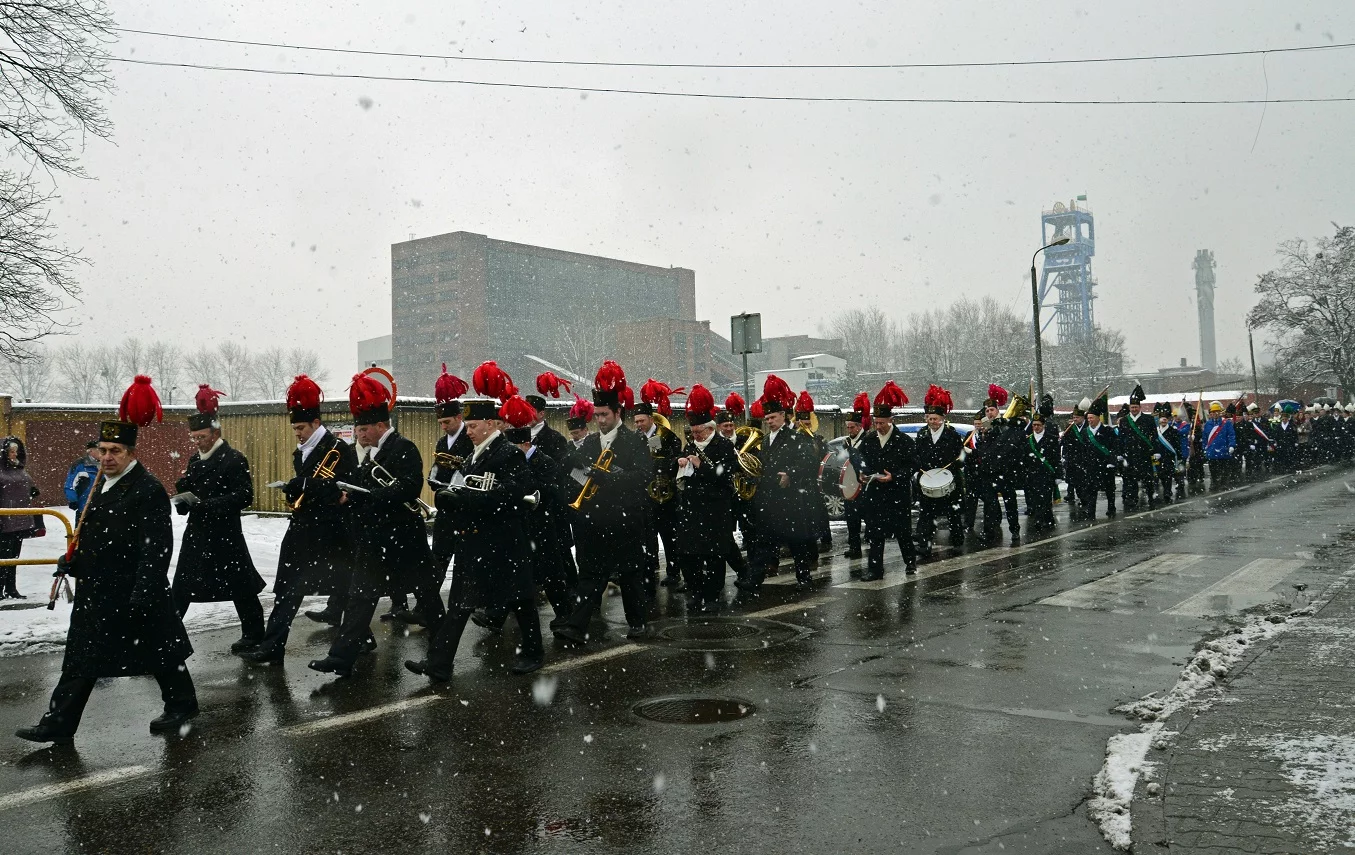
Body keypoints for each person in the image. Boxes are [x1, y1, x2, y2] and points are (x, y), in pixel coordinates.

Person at [16, 376, 198, 744]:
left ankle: (182, 703)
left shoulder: (146, 490)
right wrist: (75, 562)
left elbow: (157, 548)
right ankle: (59, 722)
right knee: (82, 655)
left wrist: (144, 591)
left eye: (116, 450)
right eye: (103, 449)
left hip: (132, 588)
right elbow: (97, 534)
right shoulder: (101, 481)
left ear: (132, 453)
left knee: (158, 650)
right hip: (99, 588)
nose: (108, 457)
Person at [309, 369, 446, 678]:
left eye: (365, 428)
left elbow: (410, 487)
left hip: (404, 539)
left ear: (381, 425)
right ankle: (341, 658)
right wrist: (345, 497)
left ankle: (441, 659)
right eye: (358, 429)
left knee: (428, 600)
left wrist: (372, 496)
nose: (360, 434)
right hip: (374, 541)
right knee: (359, 599)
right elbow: (360, 487)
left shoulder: (404, 448)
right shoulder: (370, 455)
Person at [407, 391, 542, 680]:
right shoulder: (472, 456)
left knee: (521, 600)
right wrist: (451, 497)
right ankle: (439, 663)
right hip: (474, 542)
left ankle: (533, 653)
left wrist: (469, 500)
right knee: (459, 606)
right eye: (467, 426)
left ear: (491, 425)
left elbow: (516, 493)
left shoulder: (509, 453)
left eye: (472, 426)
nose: (467, 432)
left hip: (504, 542)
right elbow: (466, 490)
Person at [240, 376, 358, 664]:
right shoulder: (301, 452)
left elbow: (348, 488)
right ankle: (273, 645)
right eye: (294, 428)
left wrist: (306, 485)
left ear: (316, 424)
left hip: (331, 533)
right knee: (287, 590)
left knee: (347, 588)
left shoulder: (339, 450)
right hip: (303, 531)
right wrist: (295, 492)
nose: (297, 434)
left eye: (301, 428)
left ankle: (361, 637)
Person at [553, 360, 654, 643]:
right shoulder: (588, 443)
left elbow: (644, 475)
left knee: (630, 573)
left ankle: (637, 622)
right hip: (595, 519)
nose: (599, 420)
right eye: (596, 415)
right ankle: (576, 625)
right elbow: (575, 474)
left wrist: (610, 478)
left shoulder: (635, 442)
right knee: (590, 575)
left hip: (624, 518)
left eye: (604, 415)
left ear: (618, 412)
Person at [172, 384, 266, 653]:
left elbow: (245, 496)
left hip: (225, 533)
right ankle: (165, 637)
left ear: (216, 433)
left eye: (202, 437)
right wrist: (184, 498)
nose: (197, 442)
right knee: (181, 586)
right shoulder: (194, 459)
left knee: (241, 586)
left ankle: (254, 633)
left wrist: (209, 505)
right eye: (194, 438)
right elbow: (193, 489)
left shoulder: (234, 459)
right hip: (198, 532)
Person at [746, 375, 820, 595]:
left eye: (773, 417)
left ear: (784, 416)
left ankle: (804, 578)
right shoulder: (765, 440)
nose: (769, 421)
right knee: (763, 543)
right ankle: (755, 579)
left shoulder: (795, 438)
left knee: (797, 543)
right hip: (769, 499)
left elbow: (809, 462)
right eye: (767, 418)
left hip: (788, 499)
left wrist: (791, 474)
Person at [672, 385, 738, 612]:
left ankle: (712, 595)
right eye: (693, 432)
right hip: (691, 509)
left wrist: (702, 467)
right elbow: (680, 463)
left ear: (710, 430)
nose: (695, 436)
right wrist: (679, 462)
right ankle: (695, 591)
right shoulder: (690, 445)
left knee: (715, 557)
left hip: (715, 509)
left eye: (699, 432)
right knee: (688, 556)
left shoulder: (724, 446)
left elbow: (726, 475)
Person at [424, 366, 473, 627]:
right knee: (438, 560)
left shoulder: (471, 435)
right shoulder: (443, 443)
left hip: (464, 510)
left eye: (447, 422)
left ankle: (459, 610)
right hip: (445, 509)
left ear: (458, 417)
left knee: (463, 567)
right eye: (441, 423)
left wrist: (459, 469)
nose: (444, 427)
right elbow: (437, 470)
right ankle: (429, 608)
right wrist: (436, 480)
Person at [857, 381, 917, 580]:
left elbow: (912, 466)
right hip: (875, 493)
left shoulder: (904, 441)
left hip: (896, 493)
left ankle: (910, 562)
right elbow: (860, 460)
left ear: (891, 421)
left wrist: (895, 476)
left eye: (882, 423)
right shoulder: (869, 440)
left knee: (903, 532)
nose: (879, 426)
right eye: (876, 423)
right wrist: (862, 474)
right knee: (875, 533)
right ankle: (875, 570)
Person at [635, 380, 682, 591]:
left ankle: (673, 572)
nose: (638, 425)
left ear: (651, 419)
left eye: (641, 421)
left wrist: (660, 463)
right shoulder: (635, 438)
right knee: (647, 536)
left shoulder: (667, 436)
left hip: (665, 495)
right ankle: (650, 570)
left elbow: (673, 459)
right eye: (636, 421)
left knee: (669, 536)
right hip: (645, 495)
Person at [913, 385, 965, 554]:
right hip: (928, 480)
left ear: (942, 418)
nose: (932, 422)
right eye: (930, 419)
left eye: (935, 419)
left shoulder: (952, 434)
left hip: (949, 480)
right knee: (926, 514)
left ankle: (957, 540)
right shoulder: (921, 434)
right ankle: (924, 544)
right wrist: (919, 468)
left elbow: (962, 455)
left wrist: (958, 463)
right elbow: (916, 455)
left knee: (953, 513)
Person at [0, 437, 40, 598]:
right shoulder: (2, 471)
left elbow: (26, 485)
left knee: (14, 557)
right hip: (4, 520)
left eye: (16, 451)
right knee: (3, 557)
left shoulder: (19, 468)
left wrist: (32, 490)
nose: (14, 454)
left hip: (20, 519)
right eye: (11, 451)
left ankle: (11, 588)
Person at [795, 391, 833, 554]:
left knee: (819, 512)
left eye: (808, 423)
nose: (806, 426)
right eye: (803, 423)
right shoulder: (793, 439)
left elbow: (825, 460)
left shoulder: (818, 440)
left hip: (814, 481)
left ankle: (825, 540)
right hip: (799, 481)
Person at [840, 393, 871, 561]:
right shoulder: (847, 442)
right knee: (851, 519)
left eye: (852, 427)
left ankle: (873, 548)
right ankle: (854, 547)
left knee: (869, 519)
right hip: (851, 485)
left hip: (865, 486)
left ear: (860, 426)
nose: (850, 430)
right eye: (848, 427)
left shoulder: (868, 440)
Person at [1118, 385, 1158, 510]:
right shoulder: (1124, 420)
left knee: (1148, 478)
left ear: (1140, 407)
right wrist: (1120, 452)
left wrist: (1155, 451)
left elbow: (1154, 436)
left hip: (1144, 453)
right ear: (1129, 408)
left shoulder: (1148, 419)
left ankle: (1151, 497)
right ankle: (1133, 499)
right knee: (1131, 479)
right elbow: (1121, 438)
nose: (1134, 409)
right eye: (1132, 407)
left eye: (1136, 407)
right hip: (1130, 453)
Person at [1082, 394, 1121, 519]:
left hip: (1105, 465)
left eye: (1091, 418)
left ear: (1098, 418)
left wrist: (1112, 461)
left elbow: (1114, 447)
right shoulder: (1085, 433)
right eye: (1088, 418)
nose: (1089, 420)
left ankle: (1111, 507)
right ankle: (1091, 510)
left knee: (1109, 488)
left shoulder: (1108, 431)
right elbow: (1082, 449)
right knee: (1091, 489)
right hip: (1091, 465)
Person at [1024, 400, 1061, 532]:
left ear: (1043, 425)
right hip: (1032, 475)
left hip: (1046, 474)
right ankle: (1046, 519)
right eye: (1034, 425)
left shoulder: (1051, 439)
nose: (1036, 427)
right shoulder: (1028, 440)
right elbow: (1025, 459)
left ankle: (1041, 520)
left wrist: (1058, 475)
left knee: (1045, 499)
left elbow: (1056, 459)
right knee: (1035, 499)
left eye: (1038, 425)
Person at [1202, 401, 1237, 489]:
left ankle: (1224, 483)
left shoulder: (1226, 423)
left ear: (1220, 412)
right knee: (1213, 469)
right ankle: (1214, 482)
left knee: (1224, 468)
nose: (1214, 413)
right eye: (1212, 412)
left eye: (1216, 411)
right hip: (1212, 450)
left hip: (1223, 449)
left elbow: (1231, 435)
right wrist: (1204, 448)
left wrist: (1231, 445)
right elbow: (1205, 438)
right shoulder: (1207, 424)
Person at [63, 440, 99, 514]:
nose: (102, 453)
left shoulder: (106, 464)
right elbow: (70, 485)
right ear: (90, 451)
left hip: (103, 507)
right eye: (99, 450)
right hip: (84, 507)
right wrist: (73, 500)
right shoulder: (80, 465)